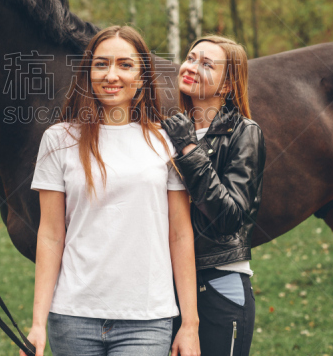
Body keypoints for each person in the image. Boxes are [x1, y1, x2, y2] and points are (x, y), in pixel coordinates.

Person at [24, 26, 201, 356]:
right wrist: (37, 322)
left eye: (125, 64)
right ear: (88, 73)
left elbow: (179, 234)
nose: (112, 75)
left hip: (147, 319)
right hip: (74, 317)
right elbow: (50, 234)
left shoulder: (166, 142)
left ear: (142, 75)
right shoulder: (58, 139)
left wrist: (190, 325)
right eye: (102, 64)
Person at [162, 35, 266, 356]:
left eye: (207, 64)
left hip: (219, 283)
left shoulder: (245, 132)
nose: (192, 66)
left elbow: (228, 217)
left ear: (226, 86)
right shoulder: (166, 132)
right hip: (167, 285)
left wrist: (189, 149)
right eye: (191, 58)